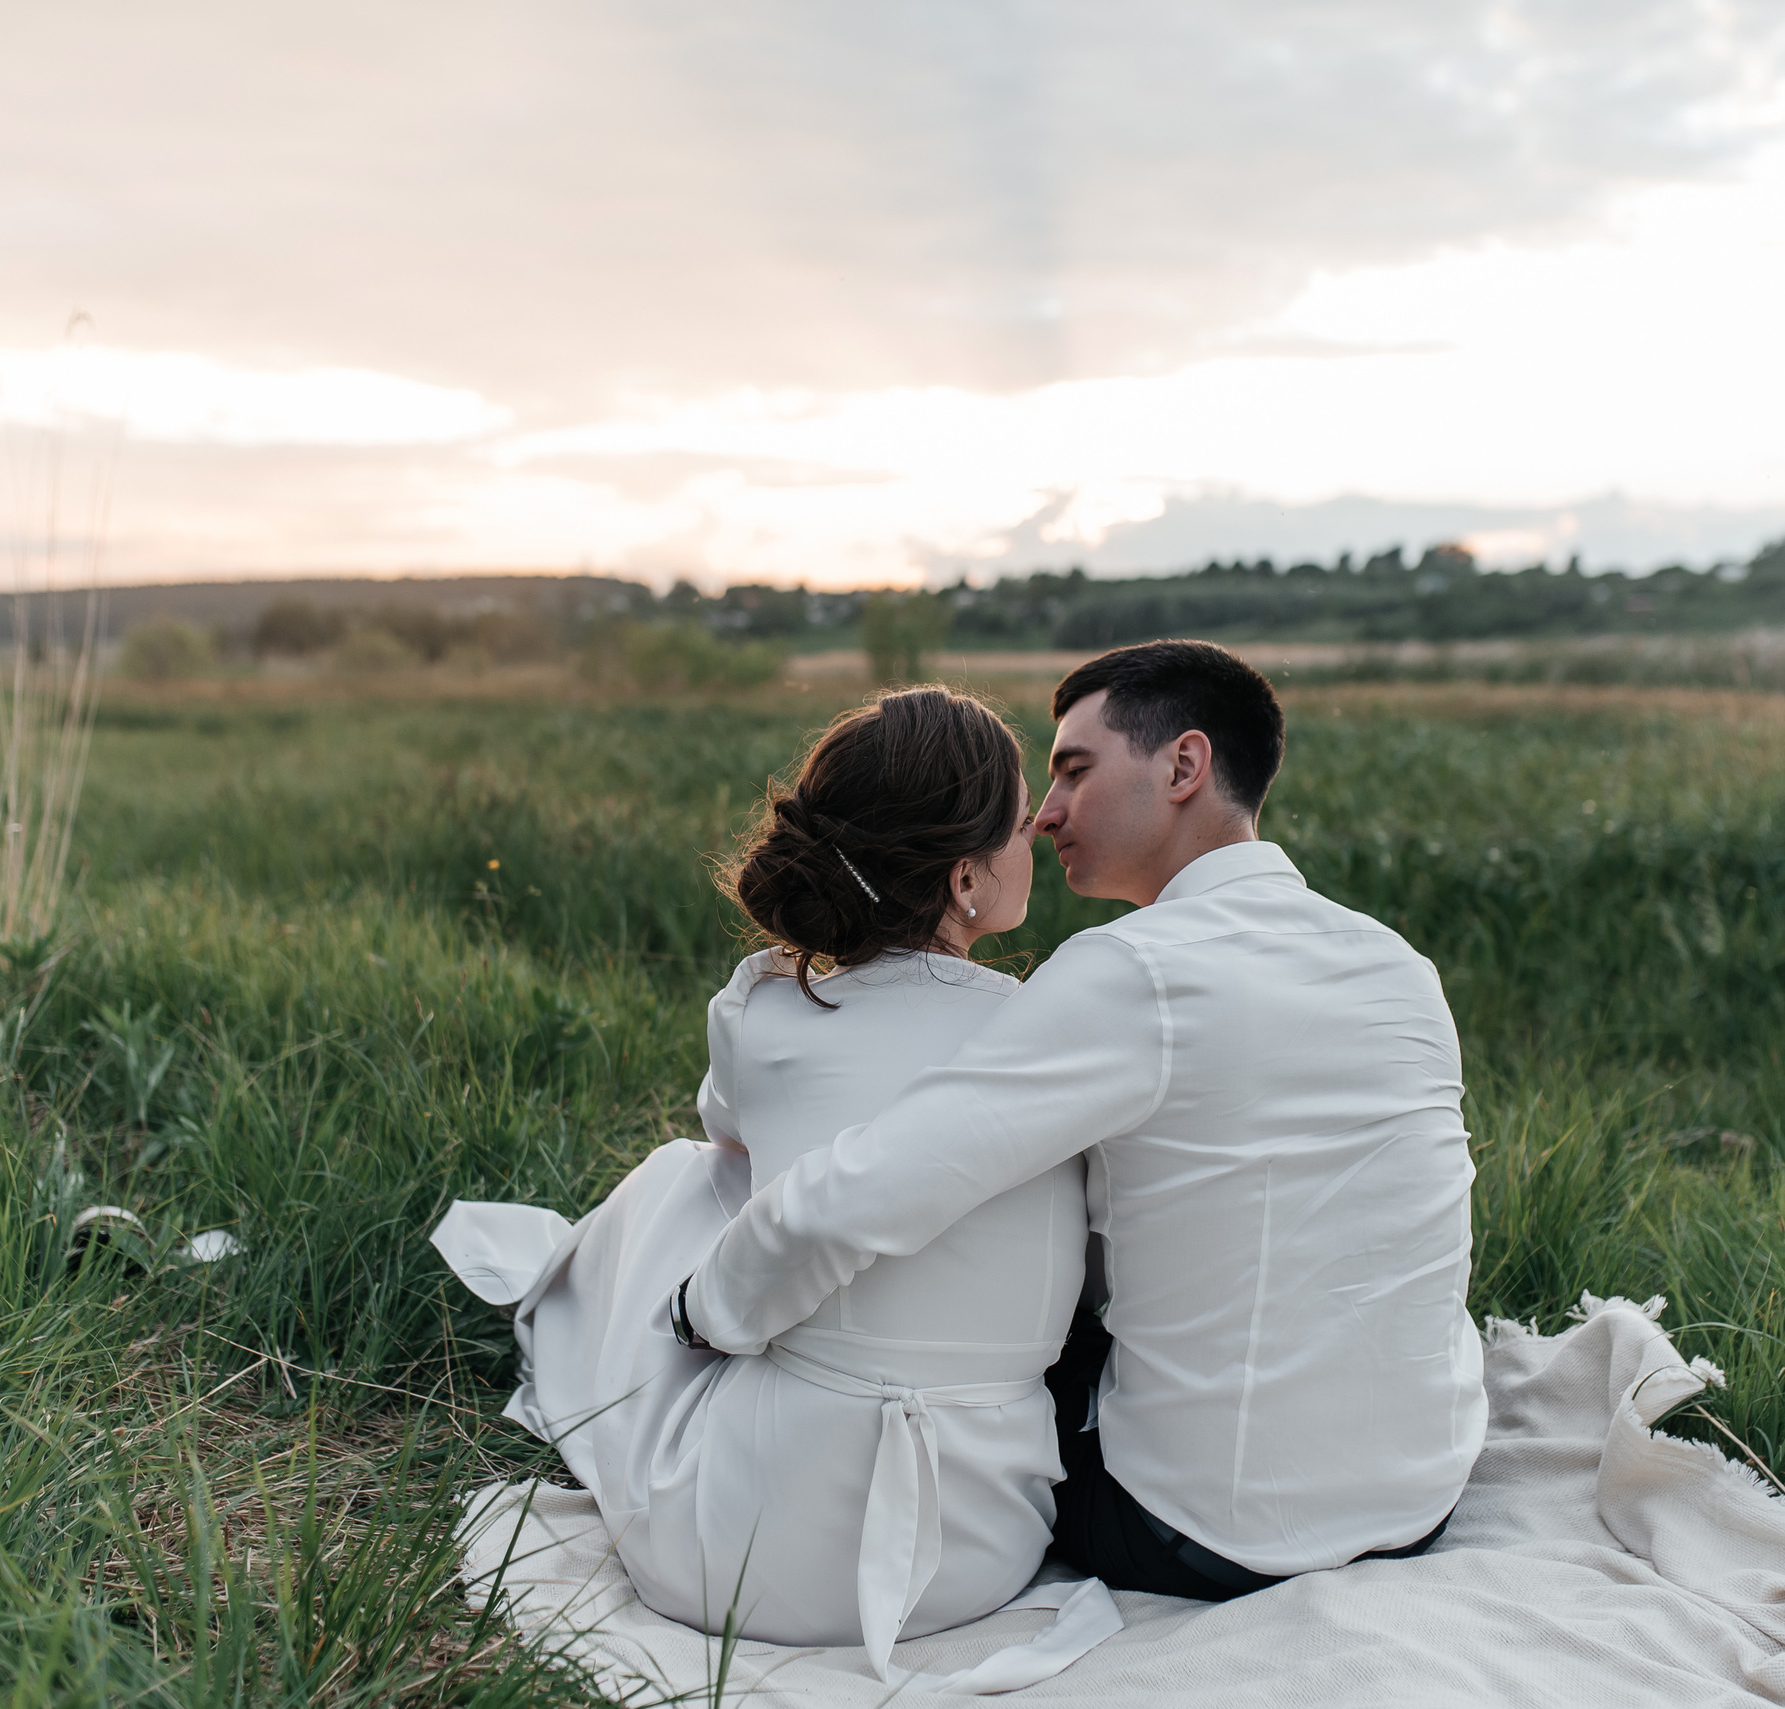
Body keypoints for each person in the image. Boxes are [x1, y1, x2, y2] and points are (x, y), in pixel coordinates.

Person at [681, 639, 1488, 1599]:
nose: (1047, 811)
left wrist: (703, 1308)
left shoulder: (1132, 969)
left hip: (1205, 1529)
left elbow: (869, 1186)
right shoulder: (1397, 961)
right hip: (1424, 1492)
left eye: (1073, 769)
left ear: (1184, 766)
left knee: (996, 1292)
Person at [431, 687, 1119, 1693]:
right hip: (981, 1550)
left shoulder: (763, 1008)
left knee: (692, 1172)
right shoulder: (1056, 1035)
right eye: (1021, 818)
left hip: (742, 1561)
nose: (1040, 828)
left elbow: (732, 1136)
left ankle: (583, 1314)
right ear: (966, 876)